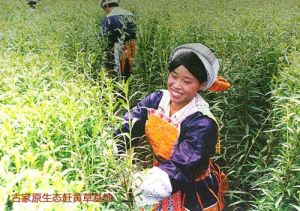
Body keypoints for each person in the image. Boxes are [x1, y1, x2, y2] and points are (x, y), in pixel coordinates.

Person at [114, 43, 230, 210]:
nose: (177, 85)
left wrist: (138, 185)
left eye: (187, 81)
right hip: (160, 174)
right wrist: (109, 147)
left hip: (190, 189)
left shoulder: (202, 122)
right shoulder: (157, 99)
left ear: (201, 85)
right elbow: (130, 124)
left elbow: (183, 164)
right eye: (174, 76)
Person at [99, 0, 137, 81]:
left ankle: (121, 91)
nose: (105, 12)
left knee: (120, 74)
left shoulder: (108, 18)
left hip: (119, 49)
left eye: (104, 9)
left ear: (107, 6)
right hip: (134, 47)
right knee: (132, 72)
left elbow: (104, 39)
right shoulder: (131, 15)